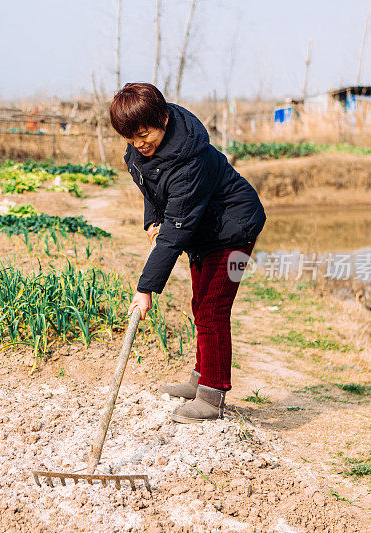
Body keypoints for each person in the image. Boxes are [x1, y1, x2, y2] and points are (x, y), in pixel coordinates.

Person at [110, 82, 266, 423]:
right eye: (130, 138)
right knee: (201, 305)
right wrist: (152, 222)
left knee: (213, 308)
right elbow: (151, 191)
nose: (138, 145)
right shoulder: (140, 153)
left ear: (164, 118)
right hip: (204, 230)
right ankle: (200, 379)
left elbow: (177, 228)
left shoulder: (191, 160)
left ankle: (212, 397)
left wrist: (146, 287)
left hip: (237, 230)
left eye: (144, 134)